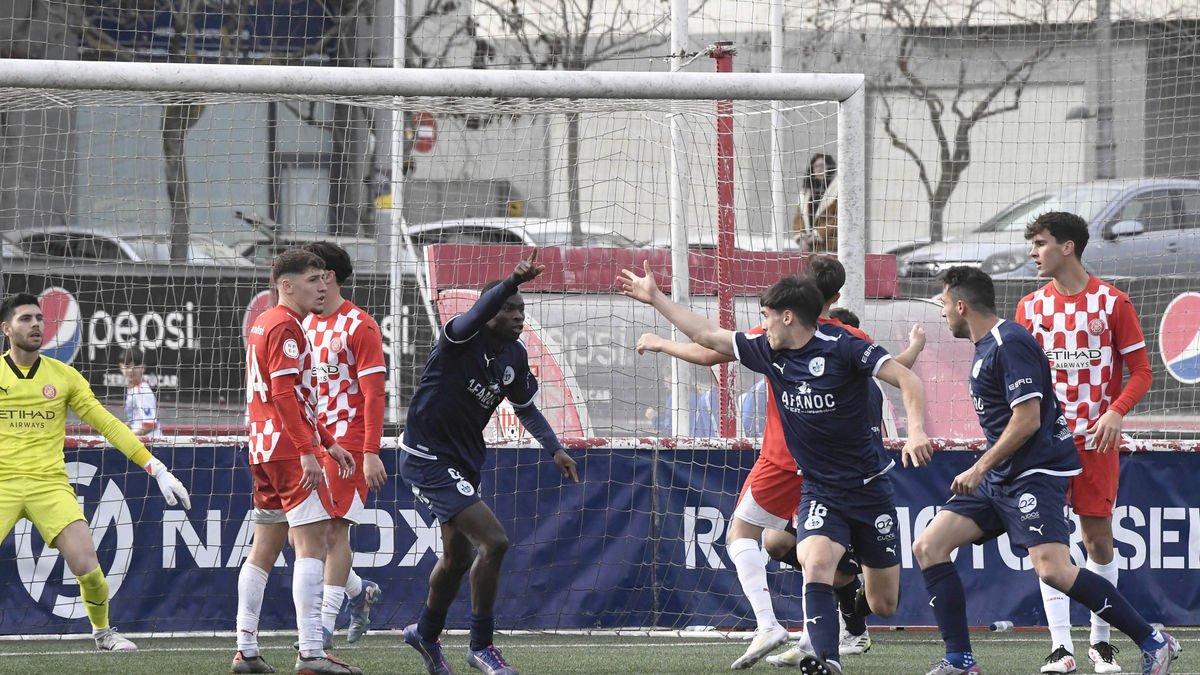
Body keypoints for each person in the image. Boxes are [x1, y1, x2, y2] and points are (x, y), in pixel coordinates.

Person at [621, 265, 932, 675]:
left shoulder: (845, 344)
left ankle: (850, 603)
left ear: (788, 315)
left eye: (766, 315)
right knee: (813, 561)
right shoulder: (767, 347)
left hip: (870, 488)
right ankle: (825, 661)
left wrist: (917, 432)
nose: (761, 323)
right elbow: (707, 338)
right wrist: (656, 299)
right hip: (819, 488)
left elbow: (905, 378)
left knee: (883, 603)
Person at [913, 266, 1179, 675]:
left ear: (961, 305)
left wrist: (980, 468)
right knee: (929, 546)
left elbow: (1028, 419)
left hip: (1034, 473)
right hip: (1001, 475)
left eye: (944, 304)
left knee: (1054, 569)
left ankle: (1152, 639)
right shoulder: (985, 346)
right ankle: (960, 660)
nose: (943, 313)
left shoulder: (1010, 341)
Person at [400, 249, 579, 675]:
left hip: (463, 461)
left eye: (522, 309)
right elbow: (477, 311)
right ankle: (481, 646)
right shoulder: (461, 338)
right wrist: (511, 281)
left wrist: (553, 447)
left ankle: (424, 634)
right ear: (490, 310)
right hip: (427, 455)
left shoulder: (514, 356)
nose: (518, 315)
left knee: (458, 559)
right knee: (495, 542)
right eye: (509, 307)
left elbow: (526, 408)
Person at [0, 292, 190, 653]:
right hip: (2, 483)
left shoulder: (65, 377)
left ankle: (103, 633)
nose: (36, 324)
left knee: (88, 566)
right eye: (26, 319)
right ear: (6, 328)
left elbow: (108, 424)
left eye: (39, 318)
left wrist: (158, 469)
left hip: (49, 486)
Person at [1014, 212, 1154, 675]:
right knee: (1049, 545)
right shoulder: (1029, 308)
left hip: (1095, 443)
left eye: (1040, 243)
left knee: (1098, 542)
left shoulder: (1113, 303)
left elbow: (1142, 373)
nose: (1033, 252)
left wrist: (1115, 412)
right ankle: (1060, 647)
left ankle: (1101, 643)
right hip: (1044, 444)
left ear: (1067, 246)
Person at [232, 249, 362, 675]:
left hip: (264, 447)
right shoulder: (288, 327)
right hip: (290, 450)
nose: (322, 286)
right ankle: (311, 653)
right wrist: (310, 450)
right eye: (312, 280)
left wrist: (329, 441)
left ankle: (245, 650)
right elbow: (286, 395)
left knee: (263, 549)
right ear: (286, 285)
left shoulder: (263, 323)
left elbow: (290, 396)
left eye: (324, 279)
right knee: (314, 543)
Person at [301, 241, 387, 646]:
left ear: (328, 277)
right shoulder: (301, 325)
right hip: (312, 443)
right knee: (299, 534)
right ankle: (359, 592)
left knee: (335, 532)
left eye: (313, 273)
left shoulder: (360, 325)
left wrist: (370, 451)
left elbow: (374, 395)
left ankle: (323, 626)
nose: (308, 282)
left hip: (348, 446)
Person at [793, 153, 839, 253]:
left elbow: (838, 218)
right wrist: (801, 238)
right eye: (816, 166)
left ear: (829, 167)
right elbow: (799, 218)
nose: (819, 169)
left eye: (822, 166)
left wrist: (818, 233)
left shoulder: (838, 190)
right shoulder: (805, 193)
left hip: (831, 246)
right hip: (811, 248)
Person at [119, 346, 158, 438]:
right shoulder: (133, 389)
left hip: (151, 446)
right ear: (121, 367)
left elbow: (150, 425)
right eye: (127, 366)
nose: (131, 370)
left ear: (143, 367)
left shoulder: (142, 392)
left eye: (136, 366)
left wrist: (126, 437)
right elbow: (136, 420)